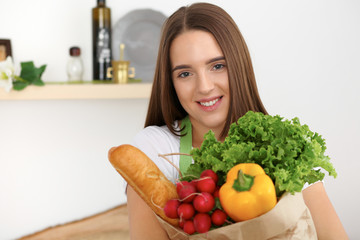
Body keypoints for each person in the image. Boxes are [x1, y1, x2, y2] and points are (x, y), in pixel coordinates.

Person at [126, 2, 348, 239]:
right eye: (185, 73)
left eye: (218, 66)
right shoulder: (156, 151)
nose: (205, 87)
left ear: (239, 65)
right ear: (170, 83)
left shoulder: (287, 147)